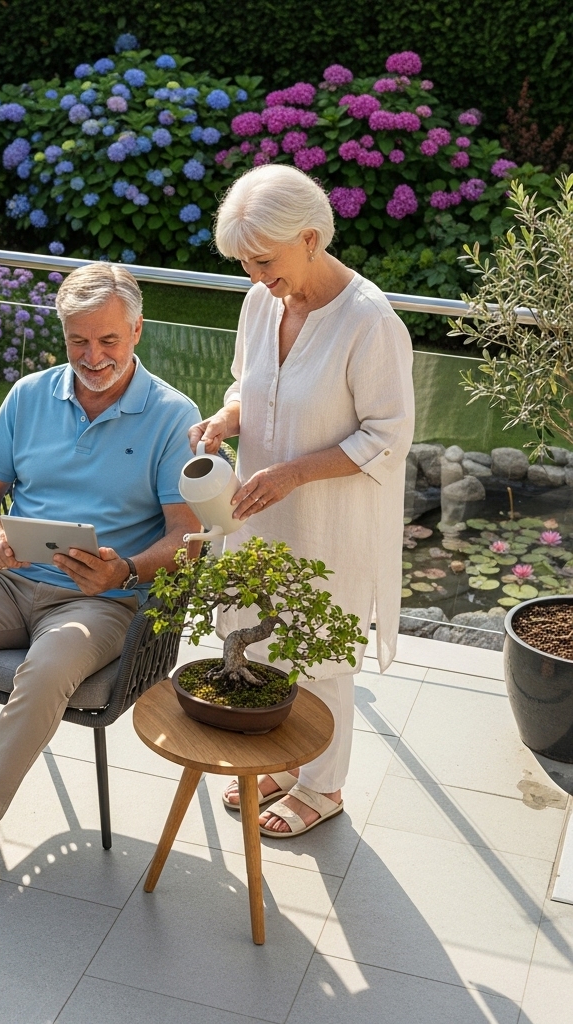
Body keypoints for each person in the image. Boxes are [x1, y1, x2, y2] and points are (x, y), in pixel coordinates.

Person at [0, 262, 201, 896]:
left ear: (137, 330)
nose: (93, 356)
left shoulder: (173, 415)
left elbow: (189, 538)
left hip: (103, 599)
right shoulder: (30, 395)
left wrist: (128, 568)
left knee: (52, 664)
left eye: (108, 340)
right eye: (78, 341)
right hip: (10, 581)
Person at [190, 164, 415, 838]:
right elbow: (248, 385)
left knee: (320, 649)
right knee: (256, 632)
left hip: (329, 519)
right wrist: (227, 420)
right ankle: (281, 763)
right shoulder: (261, 301)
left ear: (311, 238)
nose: (256, 275)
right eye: (245, 263)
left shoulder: (369, 320)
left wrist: (293, 474)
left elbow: (388, 435)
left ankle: (324, 785)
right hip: (256, 508)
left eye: (264, 259)